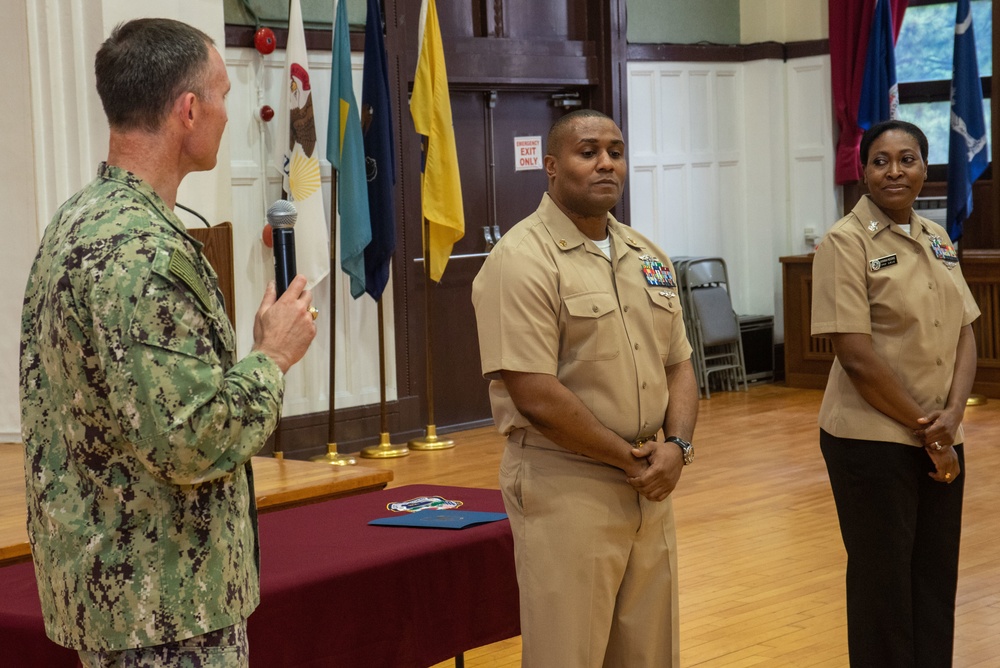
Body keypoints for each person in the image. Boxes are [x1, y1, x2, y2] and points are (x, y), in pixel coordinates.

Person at [19, 18, 317, 667]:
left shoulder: (77, 220)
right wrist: (272, 356)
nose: (225, 115)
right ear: (189, 110)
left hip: (114, 596)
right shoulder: (144, 254)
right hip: (163, 608)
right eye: (223, 97)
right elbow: (191, 439)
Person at [472, 109, 699, 667]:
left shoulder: (647, 256)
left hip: (651, 484)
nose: (605, 163)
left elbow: (680, 364)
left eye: (615, 152)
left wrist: (677, 448)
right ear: (551, 167)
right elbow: (535, 394)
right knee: (567, 655)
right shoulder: (521, 259)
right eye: (588, 151)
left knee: (649, 655)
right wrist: (632, 458)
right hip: (567, 485)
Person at [812, 120, 979, 667]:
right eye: (881, 161)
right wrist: (928, 431)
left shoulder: (936, 236)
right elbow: (855, 355)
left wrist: (952, 417)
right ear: (863, 171)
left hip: (940, 435)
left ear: (925, 169)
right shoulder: (844, 242)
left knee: (934, 577)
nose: (894, 171)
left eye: (907, 159)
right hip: (872, 439)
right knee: (882, 586)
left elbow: (964, 330)